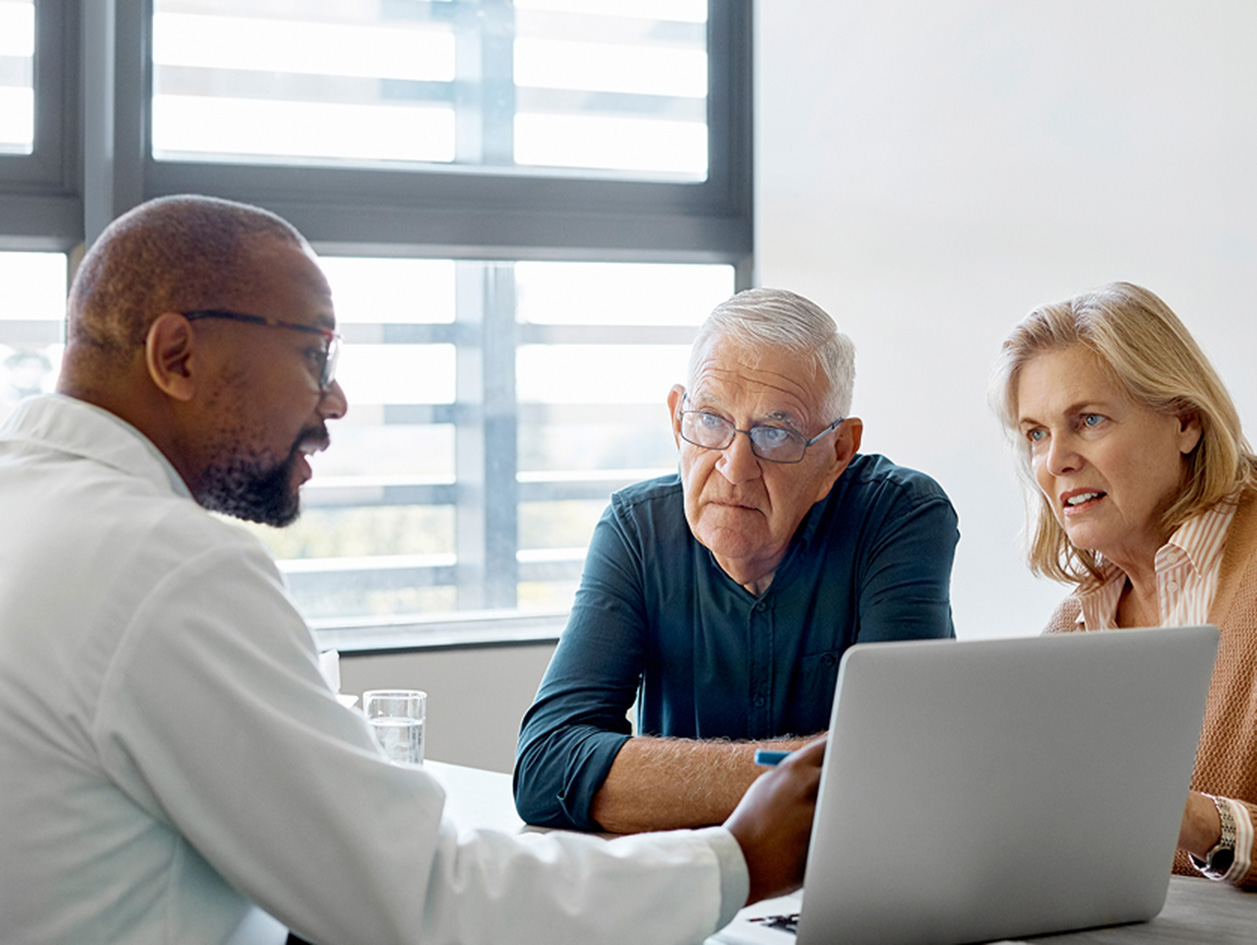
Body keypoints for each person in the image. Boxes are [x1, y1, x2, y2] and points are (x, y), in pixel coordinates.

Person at [0, 194, 827, 945]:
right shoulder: (168, 569)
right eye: (315, 354)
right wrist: (738, 859)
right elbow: (426, 898)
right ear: (177, 354)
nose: (336, 401)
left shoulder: (32, 506)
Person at [514, 288, 959, 833]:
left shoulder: (899, 516)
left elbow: (902, 766)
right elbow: (545, 770)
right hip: (686, 887)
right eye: (710, 420)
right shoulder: (637, 530)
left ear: (839, 451)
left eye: (776, 433)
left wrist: (653, 779)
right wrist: (822, 766)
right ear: (678, 417)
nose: (734, 466)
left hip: (848, 887)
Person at [991, 280, 1257, 889]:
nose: (1055, 460)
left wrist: (1200, 823)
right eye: (1035, 433)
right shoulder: (1075, 625)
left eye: (1088, 420)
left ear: (1185, 422)